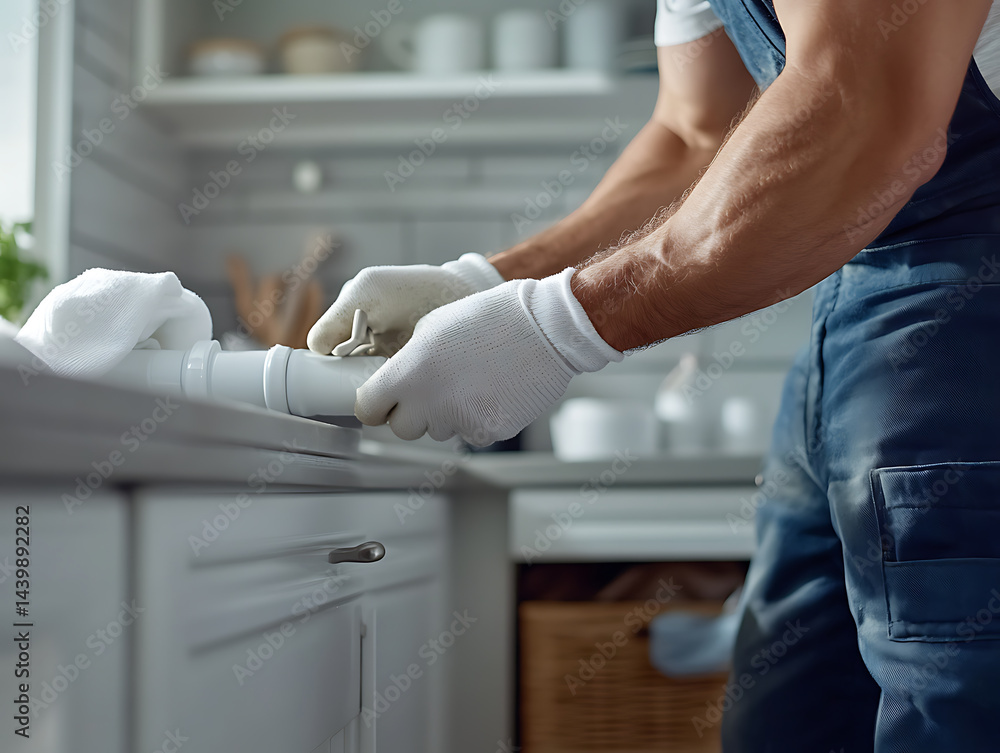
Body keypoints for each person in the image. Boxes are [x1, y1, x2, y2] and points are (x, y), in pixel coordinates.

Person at [308, 0, 1000, 749]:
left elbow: (863, 116)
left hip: (971, 317)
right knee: (785, 716)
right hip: (854, 320)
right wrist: (485, 282)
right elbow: (698, 134)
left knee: (955, 711)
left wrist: (559, 325)